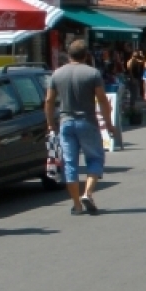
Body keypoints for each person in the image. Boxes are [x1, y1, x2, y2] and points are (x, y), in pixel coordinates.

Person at [45, 39, 113, 216]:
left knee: (70, 163)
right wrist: (108, 123)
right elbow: (102, 99)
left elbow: (49, 100)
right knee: (95, 157)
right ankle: (88, 193)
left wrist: (50, 123)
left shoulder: (57, 74)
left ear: (69, 54)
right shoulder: (93, 73)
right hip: (87, 121)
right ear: (86, 55)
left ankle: (76, 204)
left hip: (65, 122)